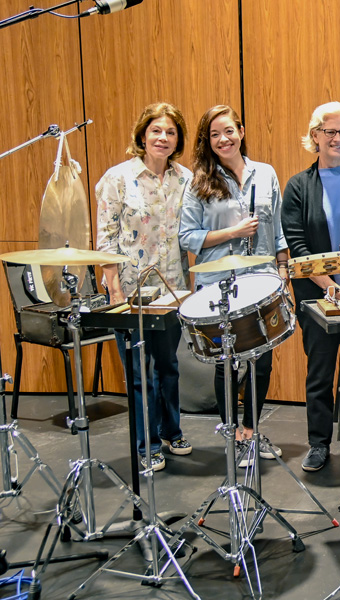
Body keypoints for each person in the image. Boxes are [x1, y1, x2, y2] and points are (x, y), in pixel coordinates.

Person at [180, 104, 289, 467]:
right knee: (226, 363)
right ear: (207, 142)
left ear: (241, 131)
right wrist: (232, 232)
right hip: (218, 285)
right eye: (214, 134)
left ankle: (251, 431)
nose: (223, 139)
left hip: (261, 281)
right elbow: (186, 237)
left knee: (262, 363)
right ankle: (232, 436)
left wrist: (284, 268)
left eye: (228, 130)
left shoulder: (266, 173)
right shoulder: (198, 182)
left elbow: (277, 228)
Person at [95, 102, 192, 472]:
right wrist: (114, 290)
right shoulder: (117, 178)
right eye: (156, 131)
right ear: (142, 134)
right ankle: (146, 443)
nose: (163, 138)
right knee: (138, 370)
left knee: (168, 364)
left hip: (172, 288)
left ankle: (172, 430)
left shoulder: (185, 178)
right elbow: (106, 238)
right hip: (130, 290)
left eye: (170, 132)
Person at [282, 102, 340, 472]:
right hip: (317, 295)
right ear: (315, 136)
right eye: (329, 131)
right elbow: (297, 245)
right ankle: (318, 443)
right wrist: (329, 285)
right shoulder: (299, 186)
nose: (336, 138)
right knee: (320, 370)